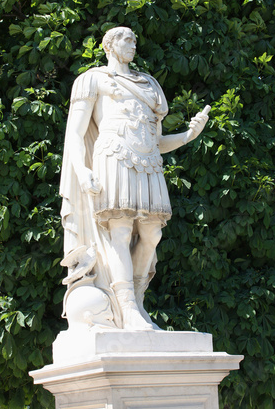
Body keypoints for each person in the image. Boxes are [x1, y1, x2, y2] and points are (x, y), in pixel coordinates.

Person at [60, 26, 209, 331]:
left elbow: (157, 142)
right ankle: (127, 308)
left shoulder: (149, 84)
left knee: (152, 235)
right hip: (113, 156)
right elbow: (75, 133)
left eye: (134, 39)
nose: (133, 43)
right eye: (126, 39)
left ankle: (138, 302)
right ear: (108, 46)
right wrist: (82, 168)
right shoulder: (93, 79)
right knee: (121, 232)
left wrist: (189, 135)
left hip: (148, 162)